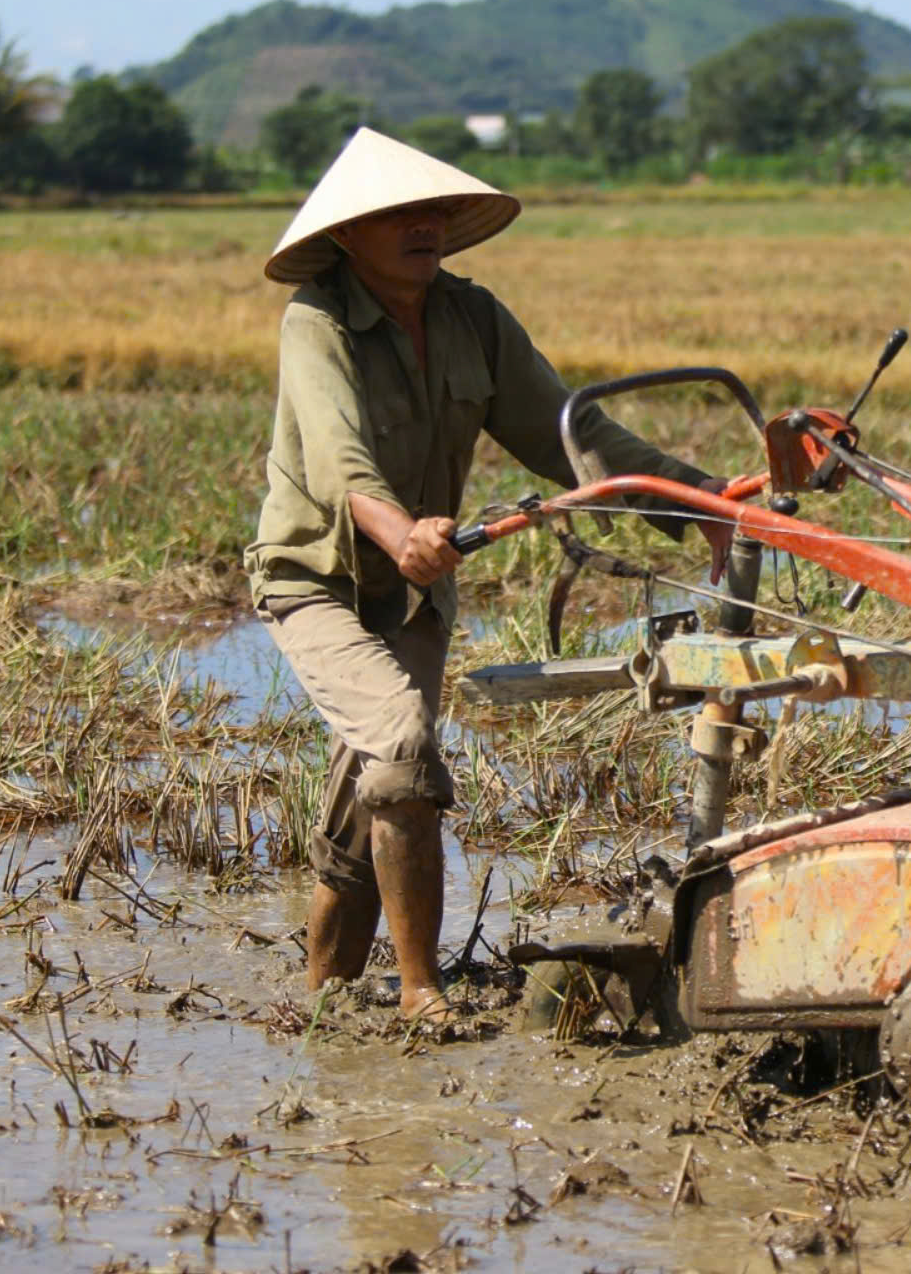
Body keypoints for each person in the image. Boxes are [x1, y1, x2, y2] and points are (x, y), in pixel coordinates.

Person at [247, 127, 722, 1019]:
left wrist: (702, 496)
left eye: (430, 210)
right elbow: (341, 465)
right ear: (348, 234)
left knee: (376, 786)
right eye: (396, 214)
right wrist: (399, 534)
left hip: (415, 587)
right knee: (401, 745)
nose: (420, 225)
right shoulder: (315, 321)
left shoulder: (474, 319)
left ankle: (326, 995)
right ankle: (422, 993)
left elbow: (571, 439)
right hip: (316, 578)